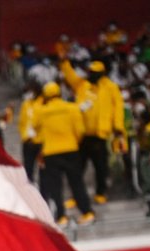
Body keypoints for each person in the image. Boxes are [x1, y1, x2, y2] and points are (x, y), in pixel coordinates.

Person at [60, 60, 125, 204]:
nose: (91, 75)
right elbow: (71, 77)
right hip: (82, 134)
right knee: (77, 167)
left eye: (94, 73)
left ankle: (100, 193)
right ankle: (76, 196)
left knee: (100, 167)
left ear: (101, 74)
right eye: (90, 72)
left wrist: (118, 126)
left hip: (100, 134)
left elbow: (118, 107)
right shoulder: (83, 85)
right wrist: (65, 63)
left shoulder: (111, 87)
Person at [36, 81, 95, 227]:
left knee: (55, 186)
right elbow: (80, 131)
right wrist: (73, 141)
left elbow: (37, 133)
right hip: (70, 149)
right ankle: (87, 212)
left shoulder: (41, 112)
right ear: (59, 94)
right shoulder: (72, 108)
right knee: (77, 183)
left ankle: (61, 217)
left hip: (51, 152)